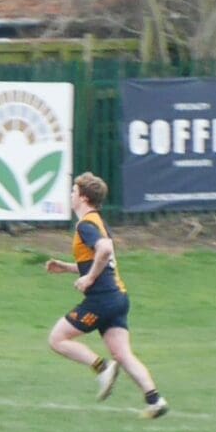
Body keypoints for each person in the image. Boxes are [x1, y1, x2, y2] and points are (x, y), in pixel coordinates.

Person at [45, 172, 167, 418]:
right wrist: (68, 268)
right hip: (118, 297)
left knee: (57, 339)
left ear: (83, 197)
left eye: (73, 191)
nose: (70, 195)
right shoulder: (99, 222)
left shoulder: (86, 225)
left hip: (101, 300)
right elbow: (102, 261)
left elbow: (105, 250)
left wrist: (89, 279)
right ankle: (155, 400)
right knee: (123, 354)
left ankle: (102, 368)